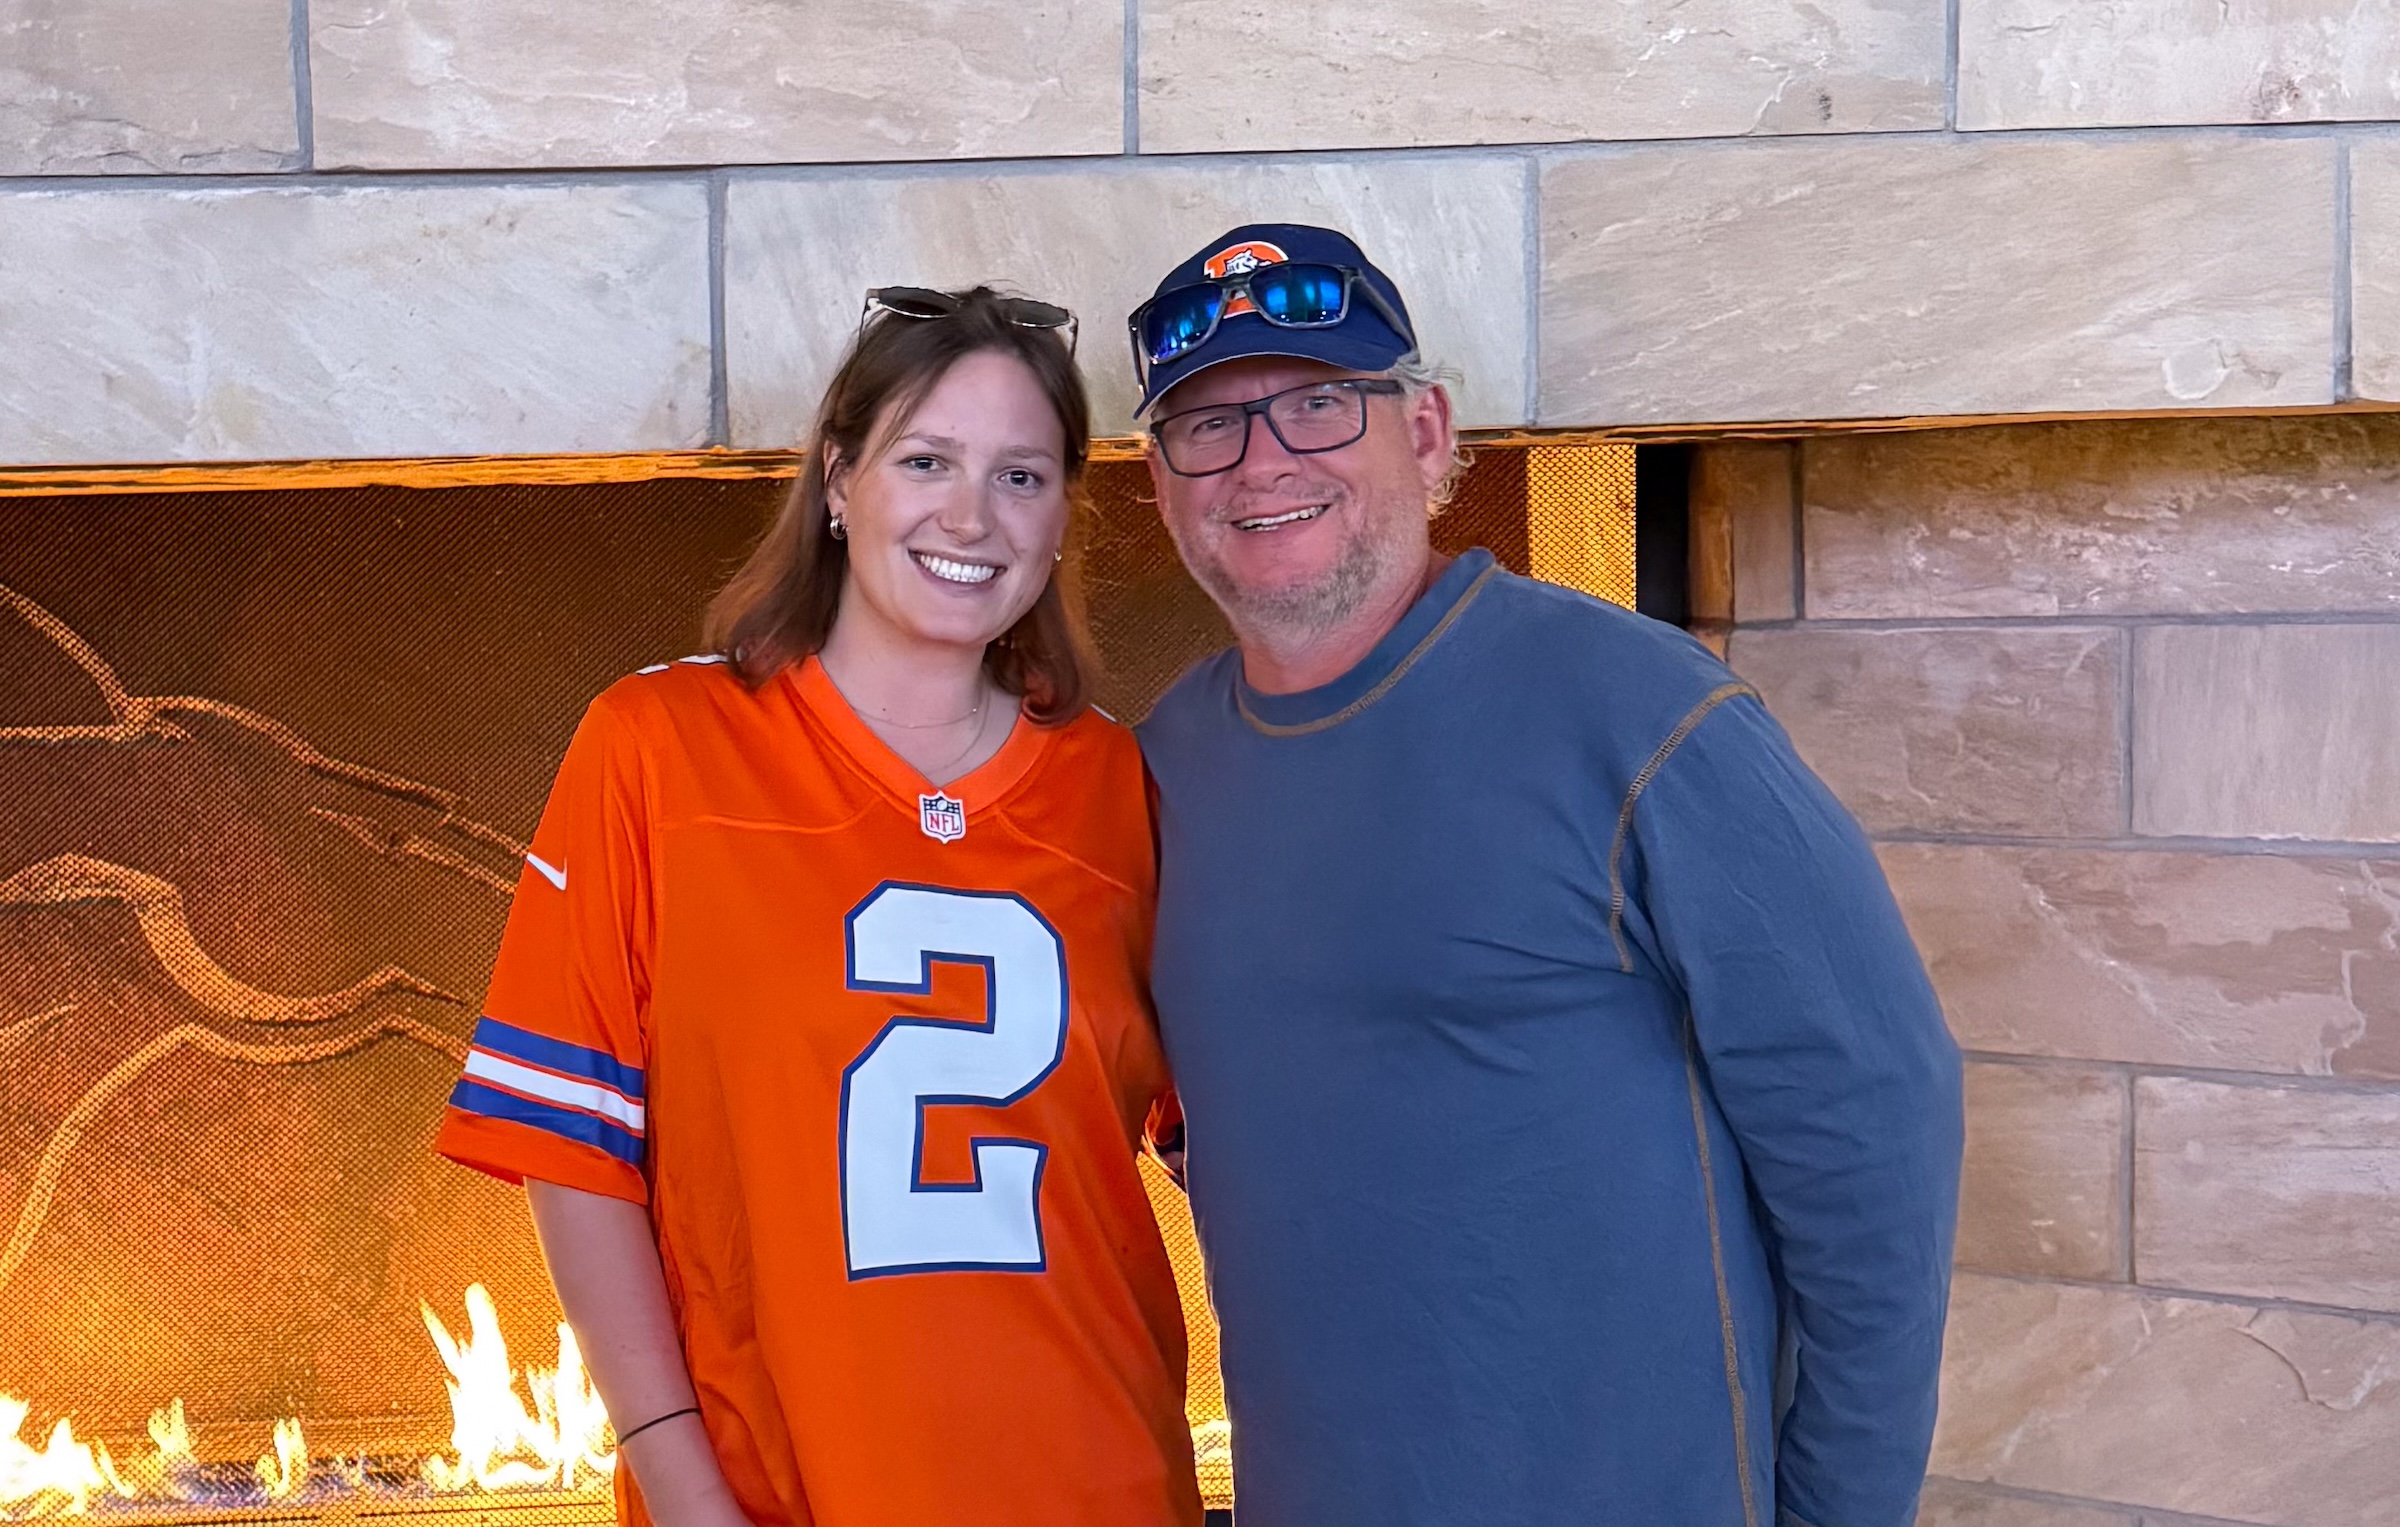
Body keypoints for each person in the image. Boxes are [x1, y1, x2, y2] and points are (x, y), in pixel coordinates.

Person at [1129, 224, 1964, 1527]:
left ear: (1424, 433)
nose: (1262, 457)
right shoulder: (1163, 765)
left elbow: (1876, 1134)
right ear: (1162, 480)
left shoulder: (1642, 713)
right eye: (1209, 424)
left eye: (1317, 401)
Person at [433, 287, 1202, 1527]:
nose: (972, 514)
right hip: (772, 1489)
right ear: (839, 480)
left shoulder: (1130, 788)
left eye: (1022, 475)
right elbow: (572, 1153)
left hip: (1099, 1477)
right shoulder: (658, 748)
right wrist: (683, 1485)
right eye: (926, 460)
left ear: (1066, 513)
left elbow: (1237, 1152)